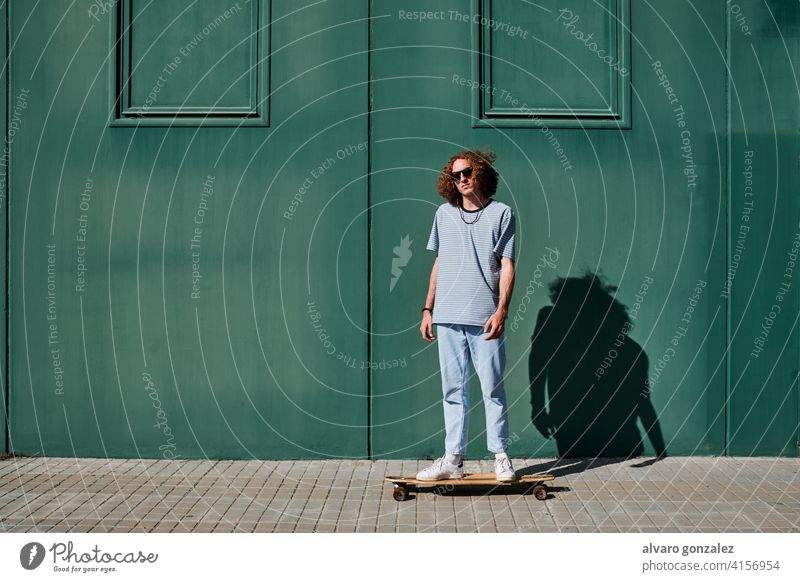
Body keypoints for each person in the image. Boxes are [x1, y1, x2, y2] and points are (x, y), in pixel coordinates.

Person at [417, 149, 517, 481]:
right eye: (455, 175)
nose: (462, 179)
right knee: (452, 390)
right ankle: (453, 460)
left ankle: (501, 456)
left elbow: (507, 265)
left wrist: (502, 309)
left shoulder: (502, 214)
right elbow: (439, 263)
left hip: (484, 316)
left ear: (482, 173)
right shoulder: (443, 215)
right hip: (446, 315)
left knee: (492, 388)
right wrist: (428, 309)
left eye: (467, 172)